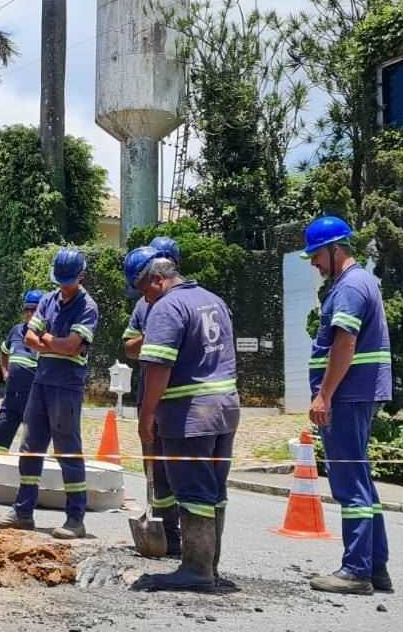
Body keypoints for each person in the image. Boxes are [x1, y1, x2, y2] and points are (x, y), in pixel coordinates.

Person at [127, 246, 239, 592]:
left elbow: (157, 367)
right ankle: (209, 565)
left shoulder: (166, 307)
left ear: (158, 280)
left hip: (189, 415)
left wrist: (147, 416)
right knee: (214, 490)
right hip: (224, 410)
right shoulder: (213, 300)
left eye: (144, 289)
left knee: (191, 491)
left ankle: (196, 569)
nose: (144, 298)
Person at [302, 216, 392, 595]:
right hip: (357, 393)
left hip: (348, 394)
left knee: (349, 484)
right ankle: (375, 566)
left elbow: (344, 344)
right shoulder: (361, 282)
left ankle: (356, 571)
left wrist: (324, 394)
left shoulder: (350, 287)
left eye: (317, 255)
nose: (314, 263)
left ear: (336, 249)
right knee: (362, 481)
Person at [0, 248, 99, 540]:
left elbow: (71, 346)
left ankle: (76, 518)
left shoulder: (87, 307)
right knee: (31, 446)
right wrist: (55, 342)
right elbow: (29, 335)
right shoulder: (49, 300)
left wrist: (47, 340)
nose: (63, 286)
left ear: (81, 277)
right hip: (42, 381)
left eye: (68, 281)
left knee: (68, 451)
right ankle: (23, 511)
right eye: (60, 280)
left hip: (66, 385)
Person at [122, 236, 183, 558]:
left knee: (180, 465)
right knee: (154, 461)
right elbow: (129, 347)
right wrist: (154, 336)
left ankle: (184, 534)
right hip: (149, 388)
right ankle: (162, 523)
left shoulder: (183, 302)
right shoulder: (143, 305)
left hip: (179, 397)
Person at [0, 290, 43, 452]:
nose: (29, 313)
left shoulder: (47, 337)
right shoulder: (16, 331)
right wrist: (5, 372)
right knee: (0, 438)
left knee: (31, 447)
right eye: (26, 309)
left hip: (34, 401)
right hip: (11, 399)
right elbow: (4, 351)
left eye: (33, 309)